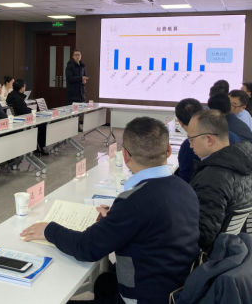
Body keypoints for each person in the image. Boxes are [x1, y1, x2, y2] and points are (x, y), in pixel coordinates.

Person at [20, 117, 200, 304]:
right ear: (168, 150)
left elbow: (86, 248)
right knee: (104, 282)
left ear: (126, 156)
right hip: (177, 289)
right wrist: (116, 218)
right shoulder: (186, 189)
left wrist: (48, 230)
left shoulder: (134, 201)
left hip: (143, 297)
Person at [187, 109, 252, 250]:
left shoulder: (212, 178)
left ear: (209, 139)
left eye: (191, 139)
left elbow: (203, 235)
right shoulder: (244, 160)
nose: (190, 145)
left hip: (215, 252)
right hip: (237, 243)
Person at [175, 98, 241, 183]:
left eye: (191, 140)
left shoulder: (188, 147)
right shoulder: (229, 135)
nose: (191, 145)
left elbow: (185, 183)